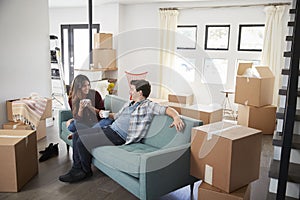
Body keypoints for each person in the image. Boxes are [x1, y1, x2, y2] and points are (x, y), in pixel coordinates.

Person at [59, 79, 185, 183]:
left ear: (140, 92)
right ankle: (77, 169)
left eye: (132, 89)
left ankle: (84, 171)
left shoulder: (148, 105)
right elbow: (116, 116)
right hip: (109, 129)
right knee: (76, 135)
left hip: (119, 137)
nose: (130, 91)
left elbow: (166, 109)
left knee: (82, 140)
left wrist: (176, 117)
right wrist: (103, 113)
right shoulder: (129, 103)